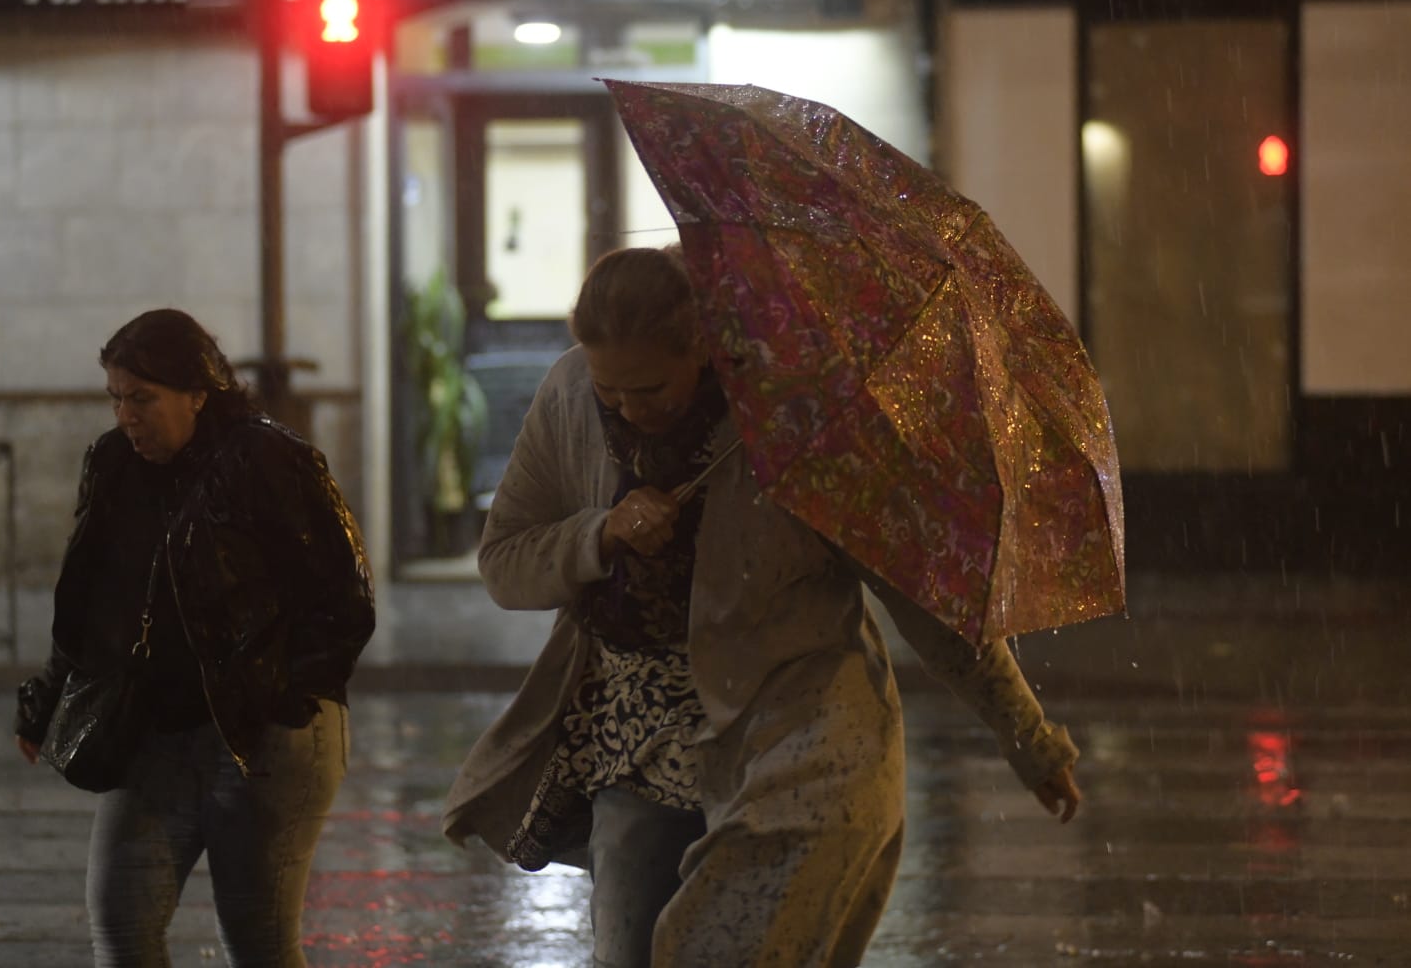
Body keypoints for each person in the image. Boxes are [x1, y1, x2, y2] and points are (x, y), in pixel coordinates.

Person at [442, 246, 1082, 967]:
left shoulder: (802, 429)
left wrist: (1028, 737)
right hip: (633, 744)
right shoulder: (567, 396)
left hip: (790, 742)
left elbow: (924, 601)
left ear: (704, 348)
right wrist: (601, 533)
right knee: (627, 953)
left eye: (650, 389)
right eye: (609, 390)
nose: (628, 409)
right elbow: (505, 561)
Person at [14, 308, 375, 968]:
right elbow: (88, 602)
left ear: (198, 394)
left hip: (263, 735)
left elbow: (345, 596)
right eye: (117, 397)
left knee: (259, 944)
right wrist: (45, 696)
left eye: (143, 398)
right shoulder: (113, 463)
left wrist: (282, 696)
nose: (127, 416)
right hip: (150, 730)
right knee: (121, 928)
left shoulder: (267, 459)